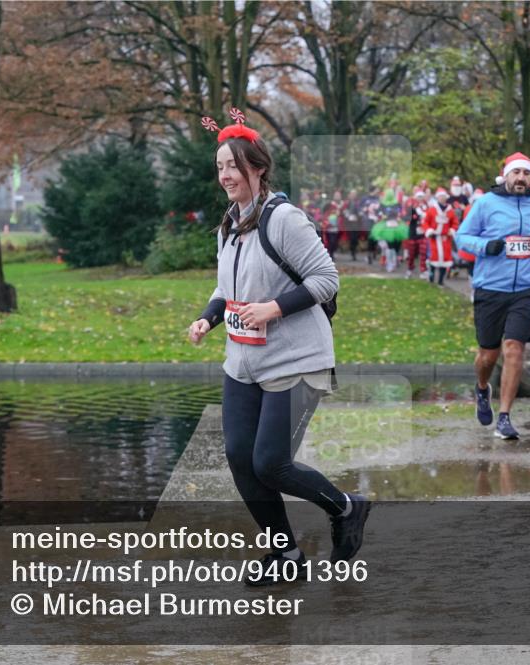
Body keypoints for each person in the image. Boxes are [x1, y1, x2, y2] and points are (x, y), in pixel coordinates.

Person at [189, 109, 370, 583]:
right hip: (243, 362)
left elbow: (327, 279)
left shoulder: (284, 219)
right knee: (239, 458)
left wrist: (274, 308)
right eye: (220, 167)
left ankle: (346, 507)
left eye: (233, 165)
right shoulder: (229, 223)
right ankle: (285, 555)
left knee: (270, 462)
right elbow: (225, 288)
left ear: (258, 167)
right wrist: (208, 318)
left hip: (297, 359)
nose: (225, 175)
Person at [456, 152, 530, 439]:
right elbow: (462, 237)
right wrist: (486, 246)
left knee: (514, 347)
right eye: (517, 173)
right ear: (507, 175)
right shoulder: (486, 204)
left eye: (526, 173)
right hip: (491, 288)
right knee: (488, 354)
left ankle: (504, 417)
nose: (521, 178)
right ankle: (482, 387)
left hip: (526, 289)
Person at [423, 187, 458, 285]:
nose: (442, 198)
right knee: (434, 258)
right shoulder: (432, 210)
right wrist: (429, 231)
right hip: (435, 238)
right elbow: (425, 222)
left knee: (445, 259)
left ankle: (441, 281)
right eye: (440, 196)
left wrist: (452, 230)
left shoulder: (450, 211)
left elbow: (455, 223)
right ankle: (431, 277)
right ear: (437, 197)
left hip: (445, 239)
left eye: (444, 196)